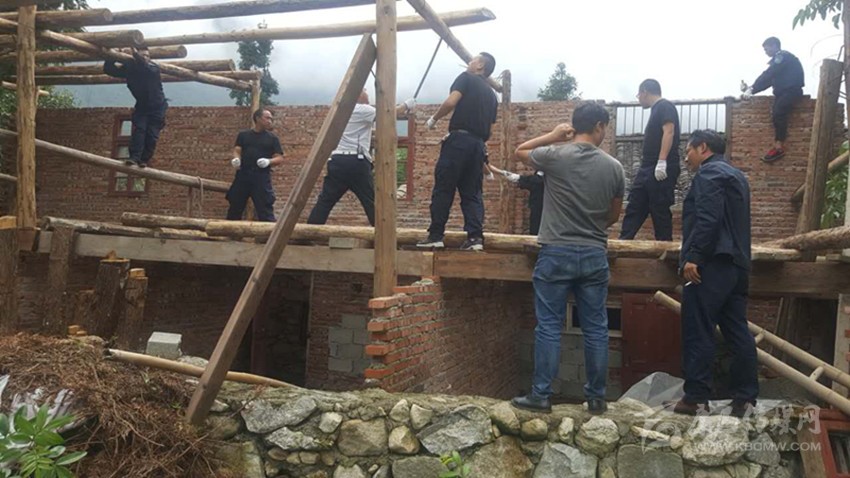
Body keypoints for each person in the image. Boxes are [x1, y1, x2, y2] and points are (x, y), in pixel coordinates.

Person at [510, 102, 625, 415]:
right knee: (596, 327)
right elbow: (613, 215)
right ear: (599, 126)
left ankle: (541, 396)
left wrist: (553, 135)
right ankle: (597, 398)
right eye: (605, 127)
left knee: (548, 325)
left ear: (575, 126)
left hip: (556, 251)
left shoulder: (555, 156)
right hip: (594, 252)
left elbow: (520, 151)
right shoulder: (614, 167)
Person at [668, 129, 758, 418]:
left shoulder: (709, 175)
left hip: (711, 264)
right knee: (737, 331)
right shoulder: (737, 176)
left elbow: (708, 218)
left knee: (698, 328)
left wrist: (694, 256)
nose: (686, 158)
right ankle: (745, 400)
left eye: (688, 151)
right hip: (738, 266)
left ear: (703, 147)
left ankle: (696, 398)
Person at [416, 52, 499, 251]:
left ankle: (435, 236)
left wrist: (434, 119)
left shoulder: (466, 78)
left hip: (459, 142)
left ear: (480, 66)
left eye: (473, 59)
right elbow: (490, 130)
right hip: (478, 145)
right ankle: (475, 239)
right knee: (472, 194)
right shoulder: (492, 96)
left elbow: (450, 102)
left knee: (444, 189)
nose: (469, 62)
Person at [307, 90, 416, 226]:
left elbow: (364, 131)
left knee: (325, 201)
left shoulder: (340, 110)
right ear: (358, 95)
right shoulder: (362, 109)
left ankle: (309, 231)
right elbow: (388, 114)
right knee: (371, 202)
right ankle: (382, 232)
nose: (368, 97)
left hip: (337, 161)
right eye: (365, 93)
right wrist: (407, 105)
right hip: (355, 162)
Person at [619, 79, 680, 241]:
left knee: (659, 209)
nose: (638, 99)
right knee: (635, 205)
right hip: (647, 168)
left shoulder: (665, 106)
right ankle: (623, 242)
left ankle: (665, 248)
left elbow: (669, 131)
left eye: (639, 95)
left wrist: (662, 161)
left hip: (660, 166)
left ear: (644, 92)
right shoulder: (655, 110)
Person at [742, 37, 805, 163]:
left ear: (775, 46)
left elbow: (769, 73)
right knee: (776, 114)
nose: (765, 52)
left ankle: (779, 147)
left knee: (779, 112)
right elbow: (768, 81)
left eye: (767, 49)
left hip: (791, 91)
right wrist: (751, 89)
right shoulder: (779, 63)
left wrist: (752, 88)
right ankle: (778, 145)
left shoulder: (782, 57)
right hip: (783, 93)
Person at [103, 46, 167, 168]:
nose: (146, 58)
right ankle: (134, 157)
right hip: (142, 107)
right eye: (144, 55)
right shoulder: (130, 67)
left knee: (152, 135)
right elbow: (109, 70)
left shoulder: (153, 68)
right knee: (139, 131)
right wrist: (113, 56)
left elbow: (144, 66)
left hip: (158, 107)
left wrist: (135, 53)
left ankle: (144, 160)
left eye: (148, 56)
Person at [226, 109, 285, 222]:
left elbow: (279, 158)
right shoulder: (243, 135)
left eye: (271, 119)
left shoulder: (272, 138)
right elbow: (237, 150)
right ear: (257, 118)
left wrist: (268, 161)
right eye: (267, 118)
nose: (270, 121)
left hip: (261, 177)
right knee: (235, 207)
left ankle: (267, 233)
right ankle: (228, 231)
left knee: (265, 209)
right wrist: (236, 159)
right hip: (243, 175)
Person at [490, 165, 545, 235]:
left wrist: (519, 178)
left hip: (544, 205)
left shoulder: (548, 168)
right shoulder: (543, 168)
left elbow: (537, 181)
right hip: (538, 204)